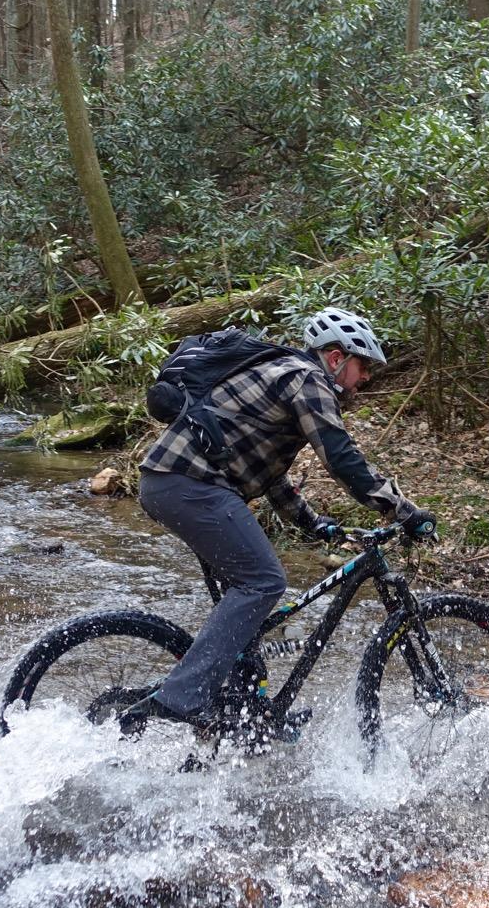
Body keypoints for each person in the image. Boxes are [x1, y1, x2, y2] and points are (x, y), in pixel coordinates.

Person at [120, 306, 437, 733]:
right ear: (336, 357)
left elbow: (266, 467)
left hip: (179, 484)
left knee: (248, 593)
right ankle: (183, 696)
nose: (366, 378)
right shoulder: (307, 378)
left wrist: (312, 522)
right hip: (189, 485)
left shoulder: (283, 376)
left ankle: (251, 713)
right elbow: (340, 457)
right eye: (363, 366)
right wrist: (402, 509)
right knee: (264, 582)